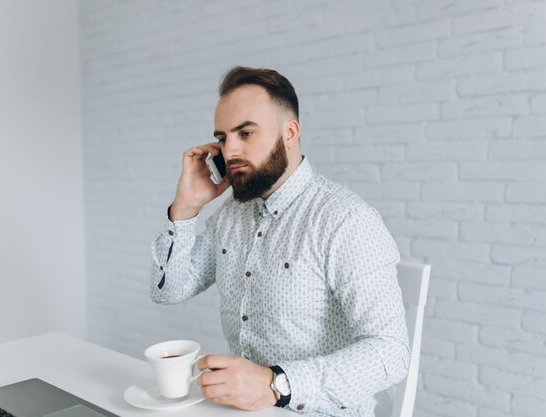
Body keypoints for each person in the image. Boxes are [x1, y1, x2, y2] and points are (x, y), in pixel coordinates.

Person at [150, 66, 409, 417]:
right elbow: (168, 290)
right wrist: (186, 207)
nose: (231, 150)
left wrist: (276, 385)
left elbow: (391, 353)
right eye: (223, 138)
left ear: (290, 132)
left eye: (245, 132)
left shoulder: (346, 219)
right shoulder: (230, 216)